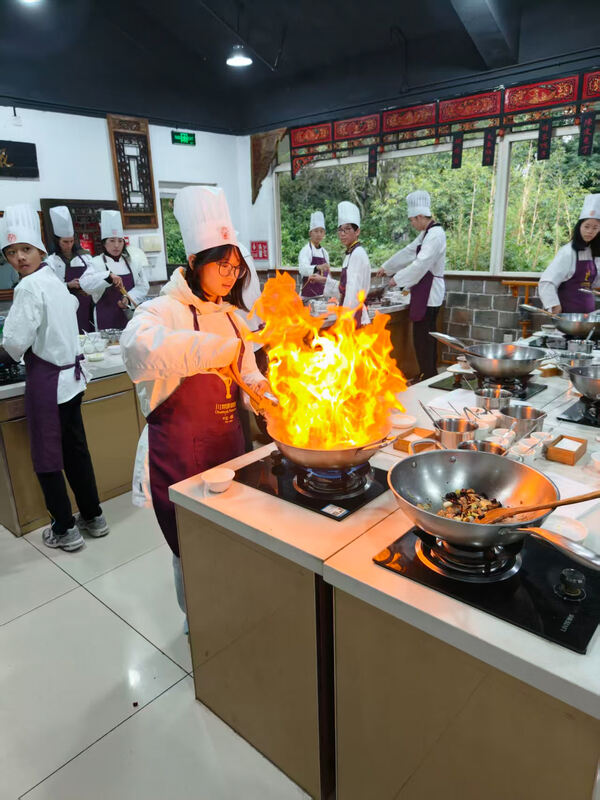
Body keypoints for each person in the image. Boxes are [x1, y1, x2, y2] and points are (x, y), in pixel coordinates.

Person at [120, 186, 268, 617]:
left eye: (236, 268)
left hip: (228, 446)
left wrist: (269, 398)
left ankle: (229, 607)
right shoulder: (160, 311)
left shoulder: (235, 319)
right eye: (221, 265)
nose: (229, 276)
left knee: (232, 535)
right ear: (194, 262)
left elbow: (249, 376)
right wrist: (218, 351)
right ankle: (197, 619)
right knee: (190, 545)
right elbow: (138, 352)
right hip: (180, 454)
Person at [0, 204, 108, 551]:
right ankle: (94, 517)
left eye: (25, 250)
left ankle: (64, 528)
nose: (19, 258)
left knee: (48, 457)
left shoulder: (29, 287)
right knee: (77, 452)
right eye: (12, 252)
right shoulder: (53, 280)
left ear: (40, 250)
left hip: (49, 383)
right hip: (72, 380)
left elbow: (15, 343)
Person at [377, 190, 446, 380]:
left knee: (425, 338)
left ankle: (428, 374)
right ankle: (426, 373)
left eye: (412, 220)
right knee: (421, 337)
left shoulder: (435, 234)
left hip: (430, 293)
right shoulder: (426, 233)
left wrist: (397, 279)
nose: (411, 223)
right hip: (424, 290)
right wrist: (387, 267)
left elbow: (421, 264)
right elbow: (408, 252)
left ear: (420, 216)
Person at [80, 210, 149, 330]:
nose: (116, 245)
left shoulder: (133, 262)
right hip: (105, 318)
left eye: (120, 241)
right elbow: (85, 284)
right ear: (104, 243)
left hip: (129, 319)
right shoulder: (96, 262)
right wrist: (108, 276)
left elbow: (143, 286)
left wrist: (127, 298)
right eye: (112, 241)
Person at [538, 194, 600, 313]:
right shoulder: (568, 252)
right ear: (579, 227)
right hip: (567, 317)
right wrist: (555, 306)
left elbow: (595, 281)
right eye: (586, 226)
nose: (590, 231)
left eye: (595, 228)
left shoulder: (595, 252)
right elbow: (546, 282)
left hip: (588, 316)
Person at [46, 205, 95, 333]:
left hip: (86, 305)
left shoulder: (85, 257)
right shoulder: (51, 261)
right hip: (64, 308)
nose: (69, 245)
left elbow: (95, 277)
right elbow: (48, 288)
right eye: (65, 242)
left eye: (71, 241)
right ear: (57, 241)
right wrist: (68, 285)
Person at [324, 201, 370, 325]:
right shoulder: (351, 253)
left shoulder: (357, 254)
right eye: (340, 230)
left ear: (357, 231)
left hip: (354, 316)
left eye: (347, 229)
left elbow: (353, 291)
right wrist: (323, 281)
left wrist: (345, 320)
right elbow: (344, 287)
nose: (343, 234)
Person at [298, 211, 330, 298]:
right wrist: (317, 267)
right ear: (310, 233)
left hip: (322, 295)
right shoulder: (306, 250)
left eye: (321, 231)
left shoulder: (325, 253)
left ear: (324, 234)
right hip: (307, 296)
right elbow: (303, 269)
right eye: (316, 231)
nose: (319, 234)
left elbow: (328, 273)